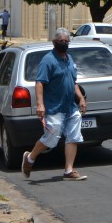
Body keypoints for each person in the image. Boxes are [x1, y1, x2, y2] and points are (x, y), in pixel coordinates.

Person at [21, 28, 88, 181]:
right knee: (51, 138)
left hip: (70, 106)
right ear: (54, 42)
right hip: (54, 107)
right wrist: (40, 105)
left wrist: (81, 98)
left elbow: (74, 82)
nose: (64, 44)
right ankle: (30, 158)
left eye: (66, 41)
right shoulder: (48, 60)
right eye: (61, 41)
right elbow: (39, 83)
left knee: (74, 136)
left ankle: (69, 171)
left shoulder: (69, 59)